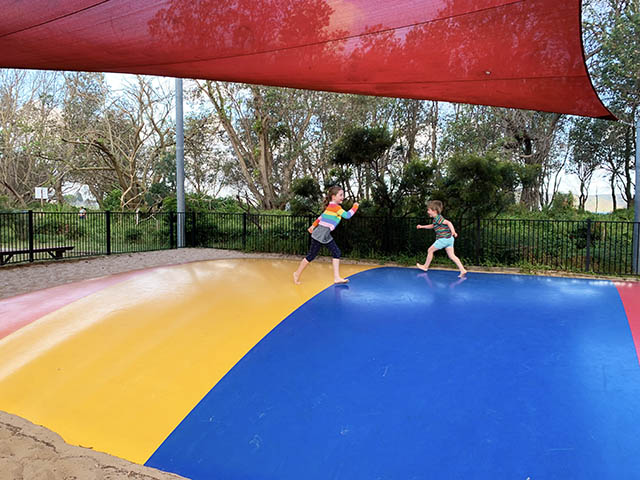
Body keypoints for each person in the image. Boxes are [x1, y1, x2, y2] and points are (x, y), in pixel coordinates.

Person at [293, 186, 359, 285]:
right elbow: (347, 215)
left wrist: (313, 226)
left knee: (336, 252)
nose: (343, 197)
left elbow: (321, 217)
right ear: (333, 197)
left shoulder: (331, 207)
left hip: (325, 234)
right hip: (320, 234)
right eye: (340, 195)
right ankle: (297, 274)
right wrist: (355, 206)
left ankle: (336, 277)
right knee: (311, 256)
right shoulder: (335, 207)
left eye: (343, 195)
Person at [416, 200, 467, 277]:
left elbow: (448, 222)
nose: (427, 212)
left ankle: (425, 267)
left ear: (434, 211)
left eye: (429, 210)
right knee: (452, 256)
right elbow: (432, 226)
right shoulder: (436, 219)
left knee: (430, 250)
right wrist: (422, 226)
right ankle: (462, 270)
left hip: (443, 239)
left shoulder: (438, 218)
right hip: (449, 239)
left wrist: (453, 231)